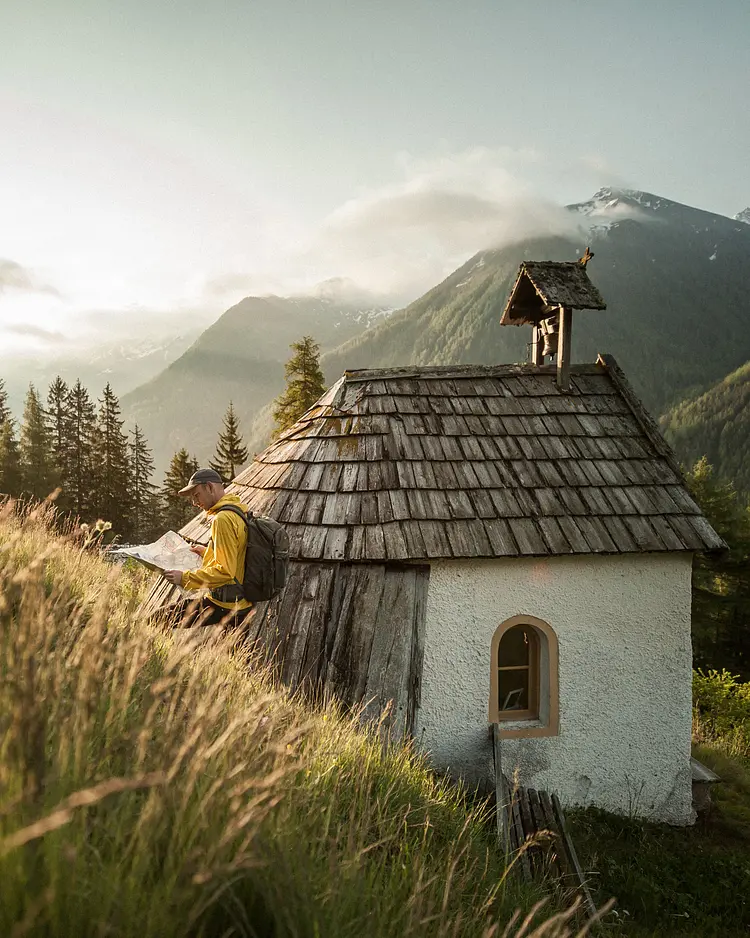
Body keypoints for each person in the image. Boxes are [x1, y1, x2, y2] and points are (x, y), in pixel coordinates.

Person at [163, 468, 252, 628]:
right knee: (231, 652)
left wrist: (183, 578)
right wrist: (206, 553)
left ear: (210, 487)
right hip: (240, 604)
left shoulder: (222, 519)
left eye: (196, 495)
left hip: (225, 606)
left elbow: (225, 572)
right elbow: (236, 553)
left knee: (159, 619)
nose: (194, 502)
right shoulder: (237, 510)